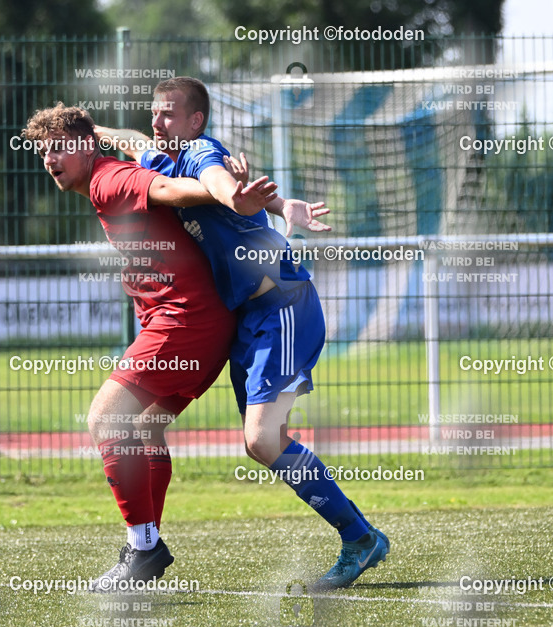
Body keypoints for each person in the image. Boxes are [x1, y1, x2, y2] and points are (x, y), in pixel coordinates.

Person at [96, 77, 389, 590]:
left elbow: (220, 184)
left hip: (282, 306)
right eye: (154, 112)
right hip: (248, 320)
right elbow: (134, 140)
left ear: (195, 122)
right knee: (257, 443)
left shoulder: (201, 152)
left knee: (262, 438)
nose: (157, 122)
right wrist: (88, 129)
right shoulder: (162, 161)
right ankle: (359, 536)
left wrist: (240, 197)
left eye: (169, 114)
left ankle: (360, 538)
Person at [21, 102, 278, 590]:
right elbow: (139, 144)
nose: (49, 159)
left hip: (186, 323)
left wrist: (229, 196)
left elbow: (165, 189)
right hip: (201, 325)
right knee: (144, 429)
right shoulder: (103, 169)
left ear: (86, 148)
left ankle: (144, 550)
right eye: (43, 152)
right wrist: (95, 129)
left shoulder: (108, 180)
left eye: (59, 148)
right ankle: (143, 545)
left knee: (106, 420)